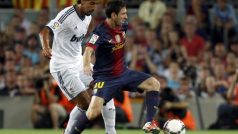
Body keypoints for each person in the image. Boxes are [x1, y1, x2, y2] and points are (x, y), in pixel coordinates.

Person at [75, 1, 161, 133]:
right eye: (123, 14)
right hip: (106, 78)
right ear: (114, 15)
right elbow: (88, 50)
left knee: (154, 84)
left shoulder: (124, 26)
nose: (126, 17)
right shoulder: (100, 31)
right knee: (93, 112)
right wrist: (86, 64)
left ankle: (149, 123)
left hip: (123, 73)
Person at [39, 0, 116, 134]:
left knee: (106, 87)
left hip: (78, 62)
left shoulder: (88, 17)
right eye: (91, 3)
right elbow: (44, 31)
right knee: (86, 104)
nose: (93, 7)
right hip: (62, 66)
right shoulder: (66, 15)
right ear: (81, 1)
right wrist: (46, 47)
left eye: (96, 4)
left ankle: (111, 132)